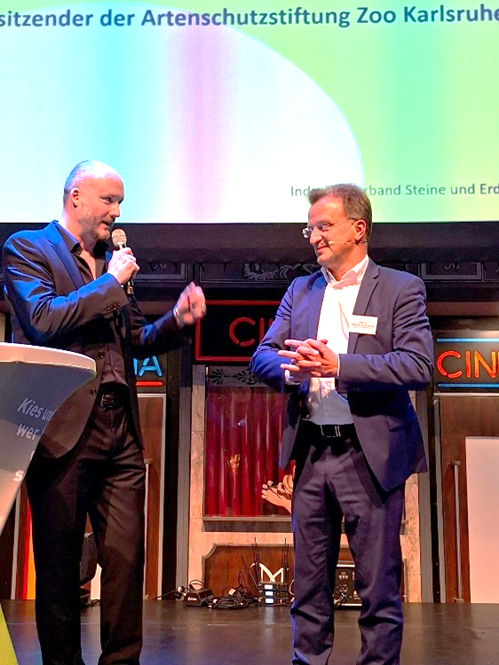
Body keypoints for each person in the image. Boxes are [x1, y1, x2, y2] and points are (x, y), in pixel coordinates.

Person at [3, 160, 206, 665]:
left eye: (120, 203)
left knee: (125, 560)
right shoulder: (28, 248)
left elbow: (135, 338)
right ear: (75, 197)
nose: (116, 213)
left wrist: (176, 321)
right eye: (108, 200)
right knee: (59, 568)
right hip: (61, 429)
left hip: (121, 429)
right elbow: (43, 319)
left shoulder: (111, 264)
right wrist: (110, 283)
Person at [250, 183, 433, 665]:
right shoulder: (301, 289)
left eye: (323, 226)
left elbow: (418, 364)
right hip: (312, 454)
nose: (314, 237)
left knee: (378, 588)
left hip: (368, 455)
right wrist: (294, 368)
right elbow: (262, 356)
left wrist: (339, 366)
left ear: (358, 228)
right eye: (309, 229)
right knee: (309, 587)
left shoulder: (400, 288)